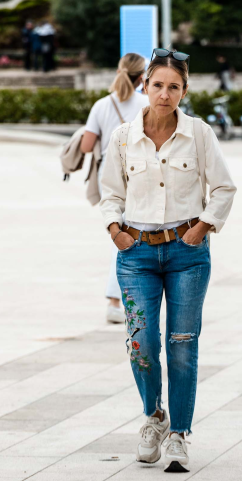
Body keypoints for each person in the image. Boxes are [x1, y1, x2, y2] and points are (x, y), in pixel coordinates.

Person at [99, 48, 236, 472]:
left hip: (187, 253)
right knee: (140, 344)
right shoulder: (124, 137)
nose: (164, 94)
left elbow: (225, 188)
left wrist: (204, 227)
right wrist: (116, 232)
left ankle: (179, 433)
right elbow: (110, 193)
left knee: (181, 344)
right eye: (157, 85)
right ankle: (153, 416)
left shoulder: (198, 134)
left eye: (173, 87)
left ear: (184, 90)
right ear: (144, 86)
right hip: (136, 253)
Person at [82, 53, 150, 323]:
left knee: (119, 234)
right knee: (125, 236)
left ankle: (116, 301)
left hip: (107, 175)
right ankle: (115, 301)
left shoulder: (101, 105)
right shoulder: (147, 104)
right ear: (142, 77)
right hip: (136, 173)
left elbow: (87, 146)